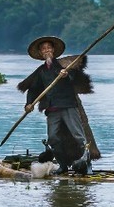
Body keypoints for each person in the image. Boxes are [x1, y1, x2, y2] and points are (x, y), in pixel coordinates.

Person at [16, 35, 94, 174]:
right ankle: (63, 165)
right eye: (43, 49)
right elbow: (33, 89)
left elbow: (74, 77)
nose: (46, 51)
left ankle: (86, 165)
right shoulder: (41, 71)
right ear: (41, 53)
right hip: (52, 110)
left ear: (53, 50)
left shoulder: (64, 65)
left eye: (49, 48)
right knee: (53, 138)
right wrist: (29, 104)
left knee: (78, 135)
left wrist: (66, 75)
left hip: (68, 106)